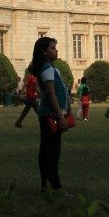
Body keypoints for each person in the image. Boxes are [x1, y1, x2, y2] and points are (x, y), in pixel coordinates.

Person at [32, 37, 70, 191]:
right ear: (44, 51)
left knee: (48, 149)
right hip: (50, 114)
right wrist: (60, 115)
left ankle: (46, 183)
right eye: (53, 48)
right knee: (51, 151)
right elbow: (50, 93)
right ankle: (54, 185)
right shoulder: (47, 69)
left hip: (49, 113)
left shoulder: (49, 68)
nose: (56, 50)